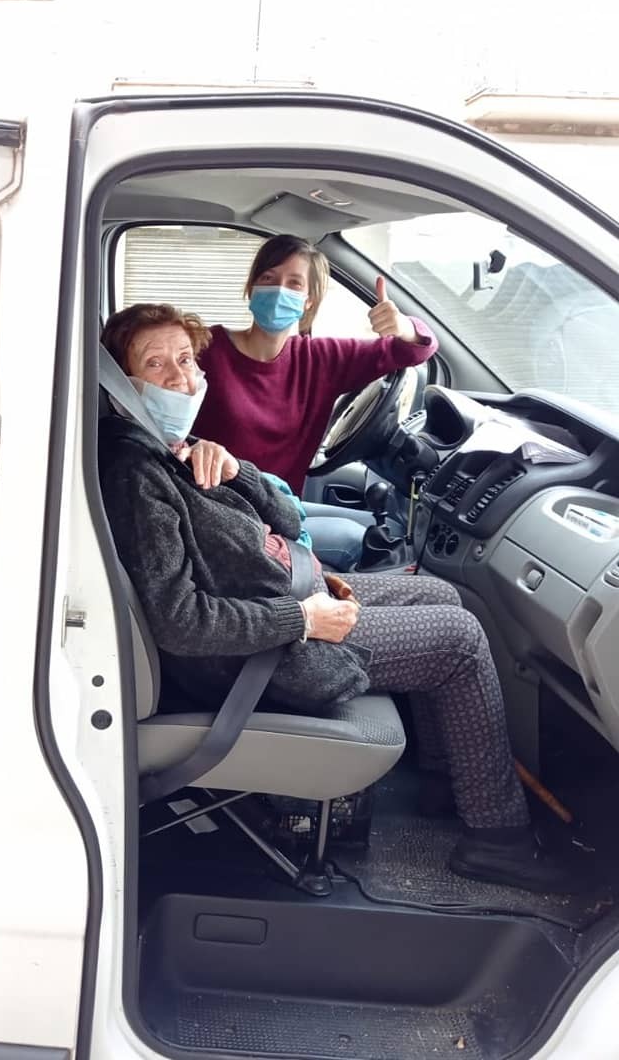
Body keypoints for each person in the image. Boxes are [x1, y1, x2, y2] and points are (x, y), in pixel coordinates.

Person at [98, 302, 575, 893]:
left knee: (444, 594)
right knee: (460, 642)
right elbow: (181, 622)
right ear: (123, 384)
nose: (180, 377)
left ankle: (448, 780)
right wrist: (302, 619)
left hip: (281, 600)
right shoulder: (135, 473)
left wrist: (236, 469)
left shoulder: (172, 447)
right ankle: (497, 841)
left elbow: (284, 516)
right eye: (155, 364)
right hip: (259, 656)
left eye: (186, 360)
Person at [190, 234, 439, 570]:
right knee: (360, 541)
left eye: (294, 283)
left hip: (279, 506)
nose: (278, 291)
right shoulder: (206, 348)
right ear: (251, 288)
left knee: (390, 530)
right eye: (268, 278)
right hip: (224, 514)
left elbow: (418, 349)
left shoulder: (320, 359)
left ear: (309, 300)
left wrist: (403, 326)